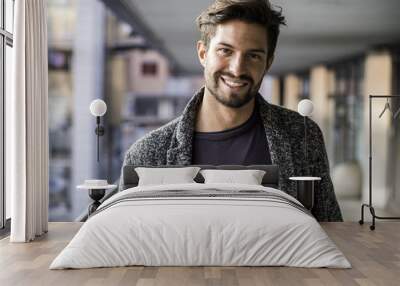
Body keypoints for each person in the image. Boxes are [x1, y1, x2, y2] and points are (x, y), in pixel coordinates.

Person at [119, 0, 343, 222]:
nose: (237, 69)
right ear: (203, 53)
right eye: (225, 51)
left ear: (268, 63)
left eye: (253, 55)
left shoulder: (302, 136)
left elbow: (331, 229)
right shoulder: (147, 154)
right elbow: (125, 241)